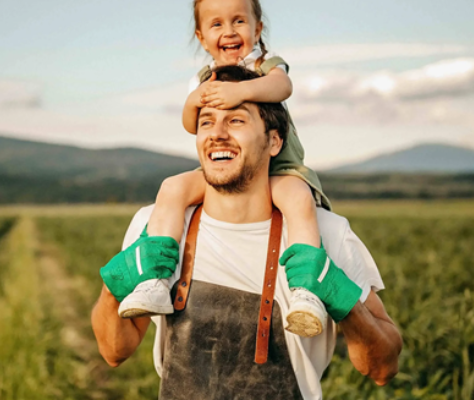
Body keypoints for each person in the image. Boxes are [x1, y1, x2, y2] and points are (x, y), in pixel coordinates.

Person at [92, 65, 402, 400]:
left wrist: (344, 300)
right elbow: (114, 351)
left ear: (273, 141)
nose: (217, 133)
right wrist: (115, 287)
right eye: (206, 122)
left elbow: (383, 368)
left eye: (236, 120)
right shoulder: (156, 227)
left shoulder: (324, 233)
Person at [112, 0, 332, 338]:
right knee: (172, 188)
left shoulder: (264, 65)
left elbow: (282, 87)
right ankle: (154, 279)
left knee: (298, 198)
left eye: (239, 21)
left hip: (280, 170)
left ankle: (306, 291)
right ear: (202, 38)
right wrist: (197, 99)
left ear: (258, 30)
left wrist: (238, 92)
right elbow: (189, 123)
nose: (228, 31)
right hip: (229, 167)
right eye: (216, 25)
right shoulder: (204, 80)